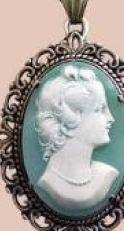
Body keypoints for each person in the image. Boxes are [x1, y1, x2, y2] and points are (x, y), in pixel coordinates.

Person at [35, 65, 118, 211]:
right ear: (70, 118)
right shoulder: (48, 182)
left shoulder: (107, 174)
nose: (110, 118)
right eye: (99, 109)